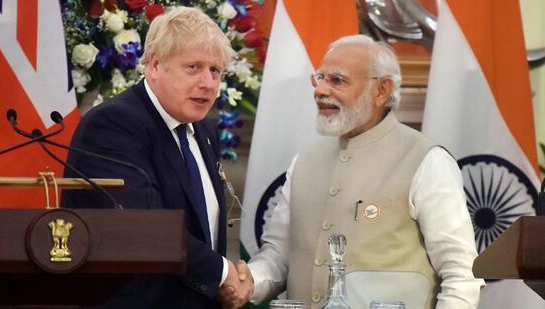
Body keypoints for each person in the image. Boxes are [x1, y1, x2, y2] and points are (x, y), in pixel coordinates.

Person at [221, 34, 485, 309]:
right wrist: (250, 280)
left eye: (337, 80)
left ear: (381, 91)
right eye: (319, 78)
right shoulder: (306, 161)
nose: (320, 90)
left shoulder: (427, 161)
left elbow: (462, 274)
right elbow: (279, 255)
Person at [63, 6, 251, 308]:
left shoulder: (203, 129)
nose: (208, 83)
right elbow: (144, 227)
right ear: (154, 66)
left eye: (215, 70)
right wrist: (223, 273)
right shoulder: (112, 125)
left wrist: (222, 278)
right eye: (194, 67)